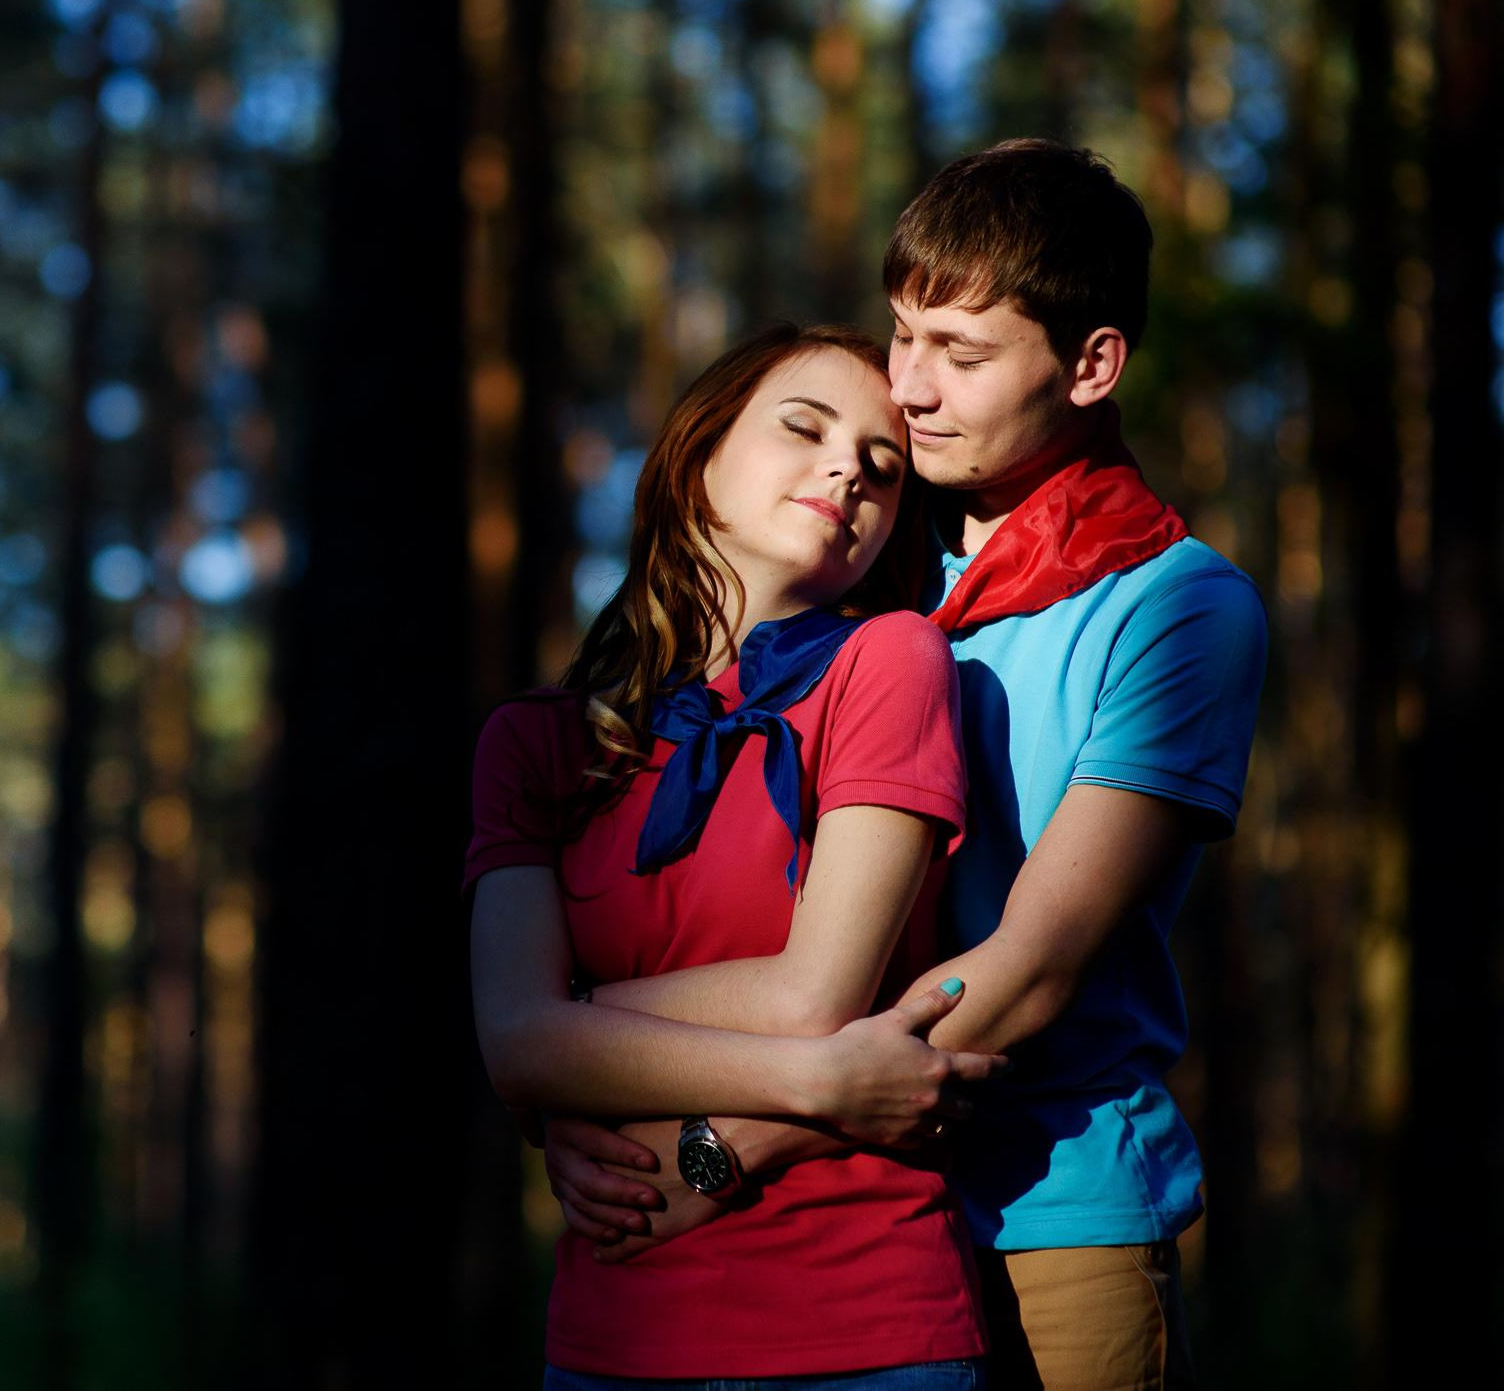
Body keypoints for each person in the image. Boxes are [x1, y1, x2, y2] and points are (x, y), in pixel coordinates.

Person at [544, 141, 1269, 1391]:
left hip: (1051, 1213)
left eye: (964, 353)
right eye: (903, 335)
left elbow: (1029, 974)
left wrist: (709, 1142)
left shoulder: (1177, 605)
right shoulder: (866, 562)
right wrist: (587, 1097)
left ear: (1093, 364)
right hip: (839, 1227)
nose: (911, 389)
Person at [467, 321, 1008, 1388]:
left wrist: (571, 1030)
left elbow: (815, 991)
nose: (849, 466)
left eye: (883, 466)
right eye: (804, 427)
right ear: (694, 455)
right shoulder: (534, 743)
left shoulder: (888, 660)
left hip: (865, 1327)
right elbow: (513, 1044)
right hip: (609, 1335)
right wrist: (824, 1081)